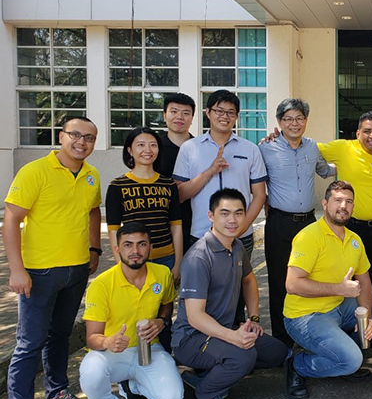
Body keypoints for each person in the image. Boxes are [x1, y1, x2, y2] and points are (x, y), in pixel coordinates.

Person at [4, 116, 101, 399]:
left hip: (75, 271)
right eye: (76, 135)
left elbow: (92, 211)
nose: (82, 142)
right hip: (38, 273)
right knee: (29, 343)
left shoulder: (90, 175)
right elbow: (12, 219)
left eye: (89, 138)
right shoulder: (34, 172)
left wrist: (94, 248)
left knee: (60, 335)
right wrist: (17, 270)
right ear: (62, 136)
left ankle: (58, 394)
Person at [172, 188, 297, 399]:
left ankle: (205, 376)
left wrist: (254, 319)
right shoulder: (199, 257)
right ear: (210, 216)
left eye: (239, 213)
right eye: (225, 213)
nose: (233, 220)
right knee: (243, 357)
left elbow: (249, 280)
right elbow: (195, 317)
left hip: (225, 330)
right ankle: (204, 397)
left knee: (277, 352)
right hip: (192, 338)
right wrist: (233, 337)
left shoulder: (236, 246)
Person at [79, 222, 183, 399]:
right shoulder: (102, 284)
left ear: (150, 248)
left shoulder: (162, 273)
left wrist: (162, 320)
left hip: (148, 349)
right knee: (91, 370)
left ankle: (132, 385)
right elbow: (91, 337)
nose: (135, 251)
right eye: (128, 245)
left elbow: (167, 303)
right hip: (115, 353)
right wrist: (108, 341)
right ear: (117, 249)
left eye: (141, 244)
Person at [284, 181, 372, 386]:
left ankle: (339, 356)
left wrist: (366, 316)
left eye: (349, 201)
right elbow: (292, 285)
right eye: (338, 200)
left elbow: (365, 283)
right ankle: (297, 364)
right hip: (305, 316)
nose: (343, 205)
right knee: (352, 360)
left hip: (338, 307)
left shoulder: (354, 239)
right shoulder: (309, 236)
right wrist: (339, 289)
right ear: (325, 204)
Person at [259, 98, 335, 346]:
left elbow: (325, 170)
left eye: (299, 118)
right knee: (280, 280)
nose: (294, 123)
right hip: (279, 223)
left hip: (308, 224)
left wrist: (353, 161)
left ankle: (307, 331)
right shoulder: (265, 149)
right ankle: (281, 339)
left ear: (306, 121)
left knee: (310, 278)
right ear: (279, 122)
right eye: (288, 119)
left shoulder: (313, 147)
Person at [172, 89, 266, 258]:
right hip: (202, 235)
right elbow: (179, 194)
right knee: (201, 283)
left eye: (231, 112)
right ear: (208, 112)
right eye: (219, 111)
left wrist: (242, 228)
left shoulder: (250, 149)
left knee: (240, 283)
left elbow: (259, 195)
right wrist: (210, 171)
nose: (225, 116)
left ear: (236, 116)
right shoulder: (190, 148)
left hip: (240, 237)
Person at [319, 111, 372, 298]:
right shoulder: (342, 148)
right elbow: (308, 148)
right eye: (367, 131)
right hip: (351, 226)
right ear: (358, 133)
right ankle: (347, 320)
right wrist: (277, 139)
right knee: (347, 274)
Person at [106, 127, 182, 279]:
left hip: (166, 258)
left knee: (165, 302)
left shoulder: (168, 185)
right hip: (133, 258)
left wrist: (178, 263)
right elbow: (114, 230)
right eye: (141, 145)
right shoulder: (117, 186)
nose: (148, 150)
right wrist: (120, 262)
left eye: (153, 145)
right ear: (130, 150)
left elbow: (176, 226)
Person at [158, 92, 196, 249]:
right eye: (174, 111)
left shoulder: (202, 147)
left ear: (192, 118)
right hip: (162, 223)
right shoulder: (153, 148)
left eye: (186, 113)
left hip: (195, 223)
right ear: (165, 115)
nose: (179, 117)